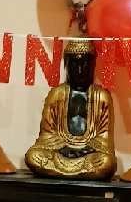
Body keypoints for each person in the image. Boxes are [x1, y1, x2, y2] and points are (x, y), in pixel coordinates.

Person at [25, 38, 116, 181]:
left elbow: (104, 139)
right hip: (59, 152)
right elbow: (47, 135)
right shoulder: (56, 94)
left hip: (89, 154)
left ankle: (62, 172)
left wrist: (84, 149)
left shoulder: (102, 97)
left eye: (85, 65)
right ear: (66, 65)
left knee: (106, 163)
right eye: (75, 64)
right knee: (33, 156)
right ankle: (81, 173)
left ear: (93, 66)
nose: (80, 70)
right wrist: (63, 148)